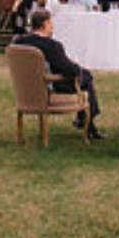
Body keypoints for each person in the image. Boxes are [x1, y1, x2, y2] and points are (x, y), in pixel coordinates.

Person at [12, 8, 101, 140]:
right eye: (50, 24)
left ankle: (85, 122)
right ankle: (87, 123)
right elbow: (70, 70)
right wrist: (75, 65)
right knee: (86, 76)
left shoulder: (18, 44)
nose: (52, 27)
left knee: (85, 76)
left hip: (26, 90)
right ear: (45, 24)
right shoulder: (52, 46)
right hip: (50, 87)